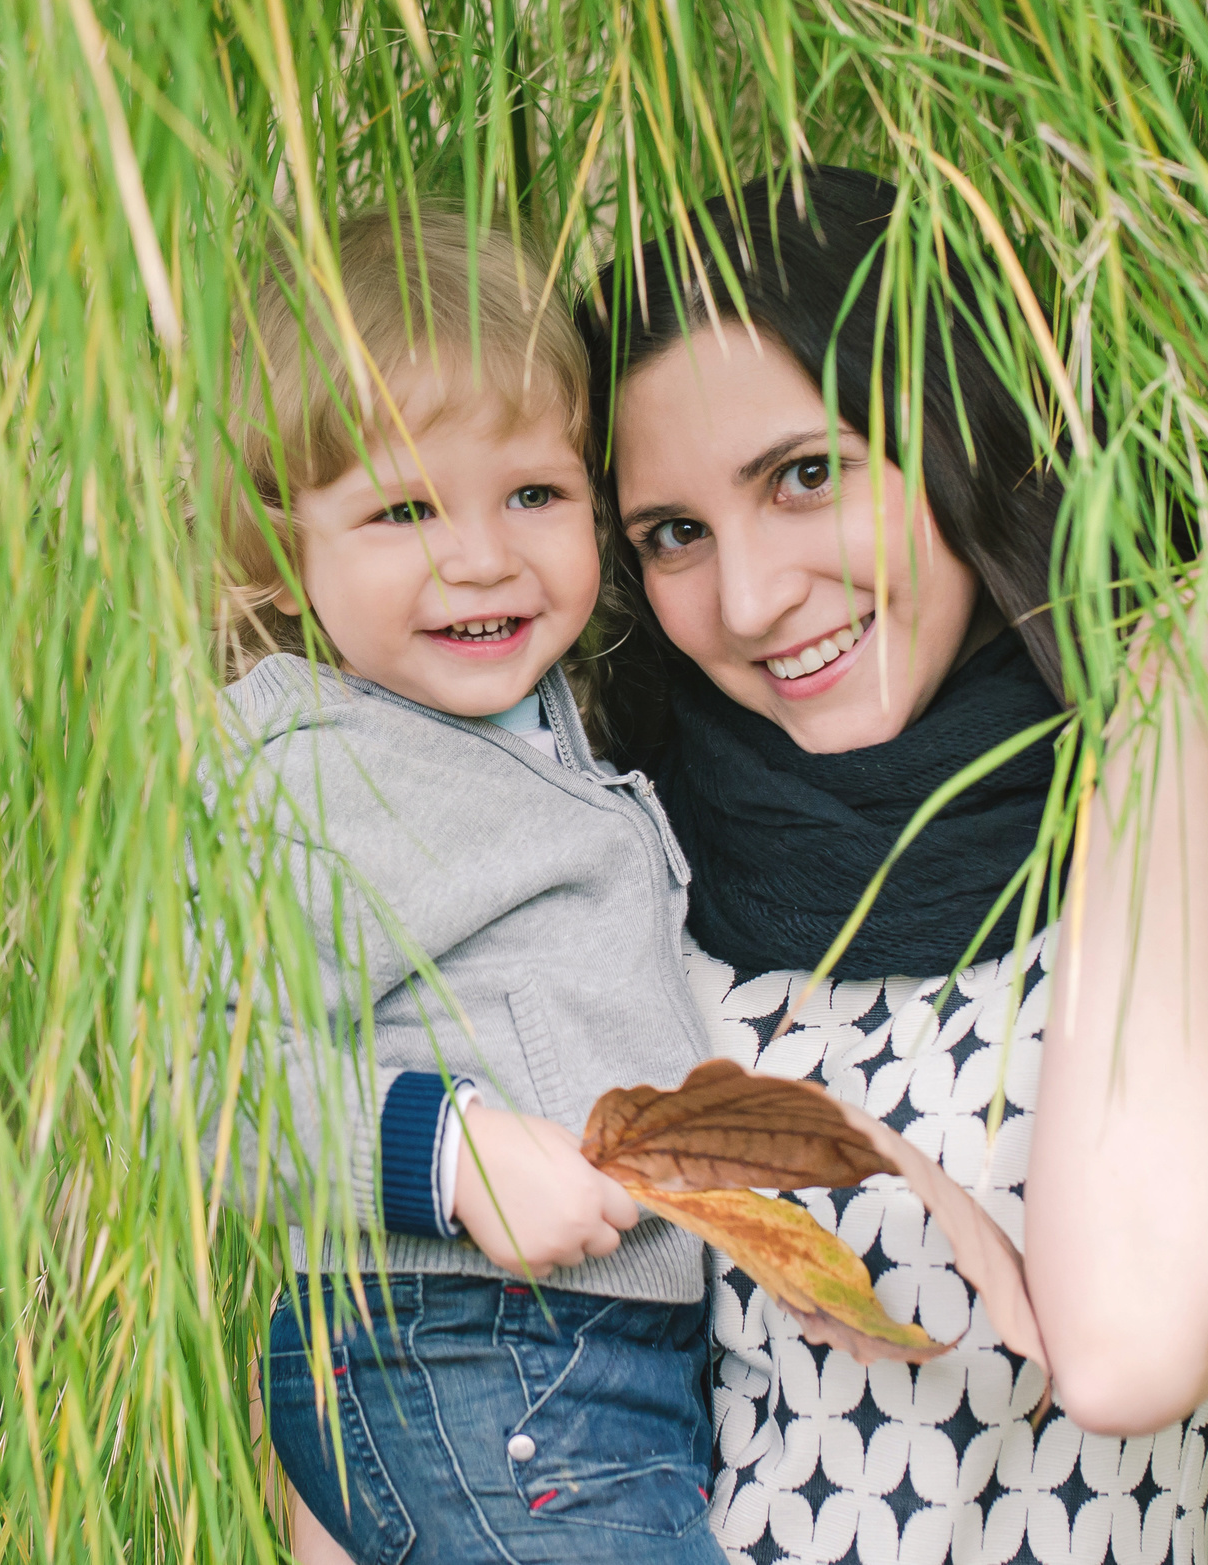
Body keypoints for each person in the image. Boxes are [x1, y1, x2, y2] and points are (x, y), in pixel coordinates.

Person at [585, 167, 1208, 1565]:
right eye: (675, 534)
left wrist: (1180, 698)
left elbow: (1132, 1344)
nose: (751, 598)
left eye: (806, 472)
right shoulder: (619, 861)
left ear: (952, 438)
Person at [222, 206, 722, 1565]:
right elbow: (182, 1080)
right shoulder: (305, 772)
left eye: (533, 495)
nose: (480, 557)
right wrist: (442, 1156)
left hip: (590, 1365)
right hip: (473, 1346)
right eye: (401, 510)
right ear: (277, 553)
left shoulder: (546, 717)